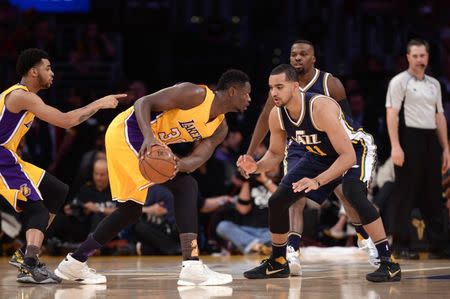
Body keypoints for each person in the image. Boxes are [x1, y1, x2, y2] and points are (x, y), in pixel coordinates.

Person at [55, 69, 252, 285]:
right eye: (247, 93)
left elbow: (197, 158)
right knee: (186, 186)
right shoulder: (196, 94)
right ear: (233, 91)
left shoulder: (220, 128)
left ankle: (74, 262)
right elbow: (142, 103)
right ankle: (192, 264)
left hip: (146, 144)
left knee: (130, 211)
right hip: (129, 131)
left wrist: (179, 164)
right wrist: (149, 137)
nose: (250, 99)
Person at [238, 64, 401, 282]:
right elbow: (276, 153)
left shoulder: (320, 107)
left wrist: (318, 181)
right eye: (270, 88)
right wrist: (256, 166)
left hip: (355, 149)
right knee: (277, 201)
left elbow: (347, 157)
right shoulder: (277, 115)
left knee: (352, 193)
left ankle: (388, 263)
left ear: (295, 87)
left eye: (279, 86)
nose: (274, 93)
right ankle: (278, 262)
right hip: (318, 154)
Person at [2, 48, 124, 283]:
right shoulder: (22, 96)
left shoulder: (24, 98)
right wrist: (98, 103)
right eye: (48, 68)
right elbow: (66, 120)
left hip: (8, 157)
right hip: (1, 159)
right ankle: (29, 264)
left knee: (57, 191)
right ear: (33, 71)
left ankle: (25, 254)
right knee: (37, 209)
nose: (52, 73)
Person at [386, 38, 450, 259]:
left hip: (430, 139)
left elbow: (439, 115)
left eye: (423, 55)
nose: (419, 60)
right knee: (405, 193)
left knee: (434, 193)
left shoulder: (434, 84)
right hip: (408, 137)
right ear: (408, 58)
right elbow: (392, 114)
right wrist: (395, 146)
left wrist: (446, 148)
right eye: (415, 56)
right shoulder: (399, 82)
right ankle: (400, 244)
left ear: (428, 56)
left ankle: (439, 244)